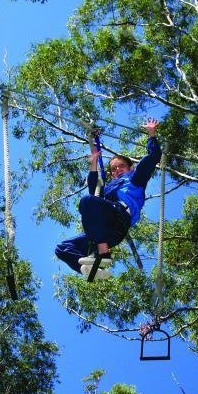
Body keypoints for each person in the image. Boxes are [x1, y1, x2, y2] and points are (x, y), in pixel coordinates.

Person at [55, 118, 162, 279]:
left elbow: (153, 156)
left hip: (119, 220)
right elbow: (94, 191)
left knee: (87, 202)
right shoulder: (108, 189)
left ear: (130, 168)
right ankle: (89, 270)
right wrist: (93, 165)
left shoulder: (135, 179)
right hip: (105, 233)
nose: (117, 170)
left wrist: (151, 133)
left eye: (121, 166)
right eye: (114, 169)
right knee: (63, 248)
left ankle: (103, 253)